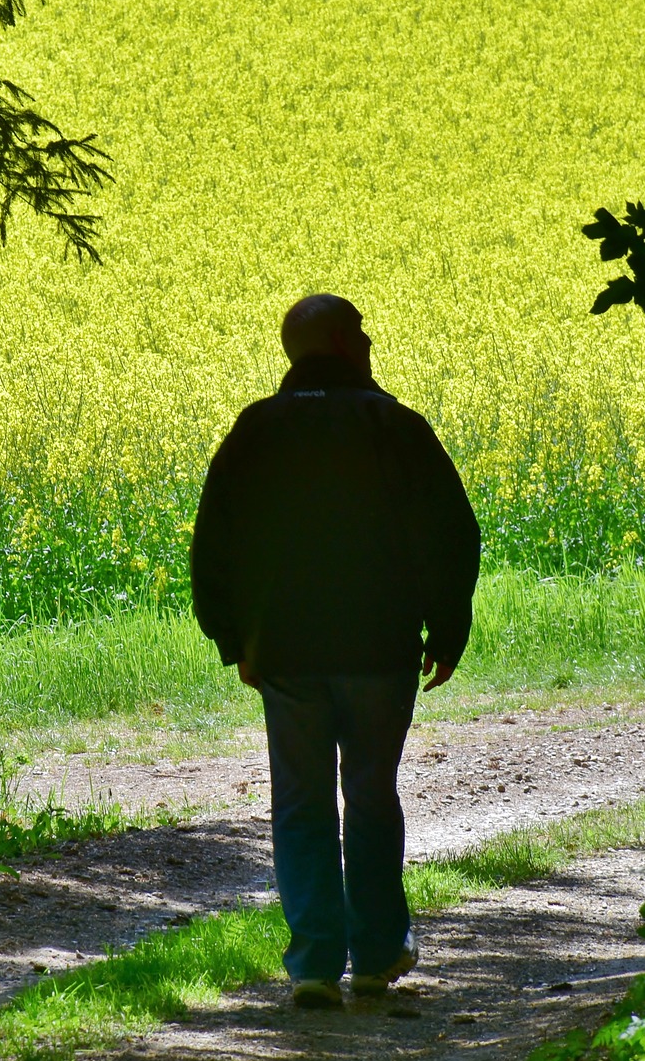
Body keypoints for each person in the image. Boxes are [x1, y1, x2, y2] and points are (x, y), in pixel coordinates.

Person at [190, 294, 480, 1008]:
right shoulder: (395, 426)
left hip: (284, 651)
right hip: (380, 649)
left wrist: (235, 641)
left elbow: (215, 544)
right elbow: (451, 536)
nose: (371, 340)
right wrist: (446, 632)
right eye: (363, 330)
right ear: (348, 346)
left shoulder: (256, 429)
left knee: (301, 803)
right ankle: (378, 954)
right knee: (371, 795)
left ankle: (315, 963)